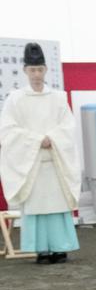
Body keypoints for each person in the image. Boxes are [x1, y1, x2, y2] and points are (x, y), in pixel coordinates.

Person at [0, 42, 81, 264]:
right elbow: (7, 130)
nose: (36, 74)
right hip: (31, 163)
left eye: (40, 69)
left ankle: (60, 248)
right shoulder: (15, 99)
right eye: (32, 70)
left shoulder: (58, 97)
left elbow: (68, 126)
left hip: (54, 161)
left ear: (46, 70)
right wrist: (37, 139)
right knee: (36, 208)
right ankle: (40, 250)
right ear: (25, 71)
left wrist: (52, 138)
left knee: (57, 207)